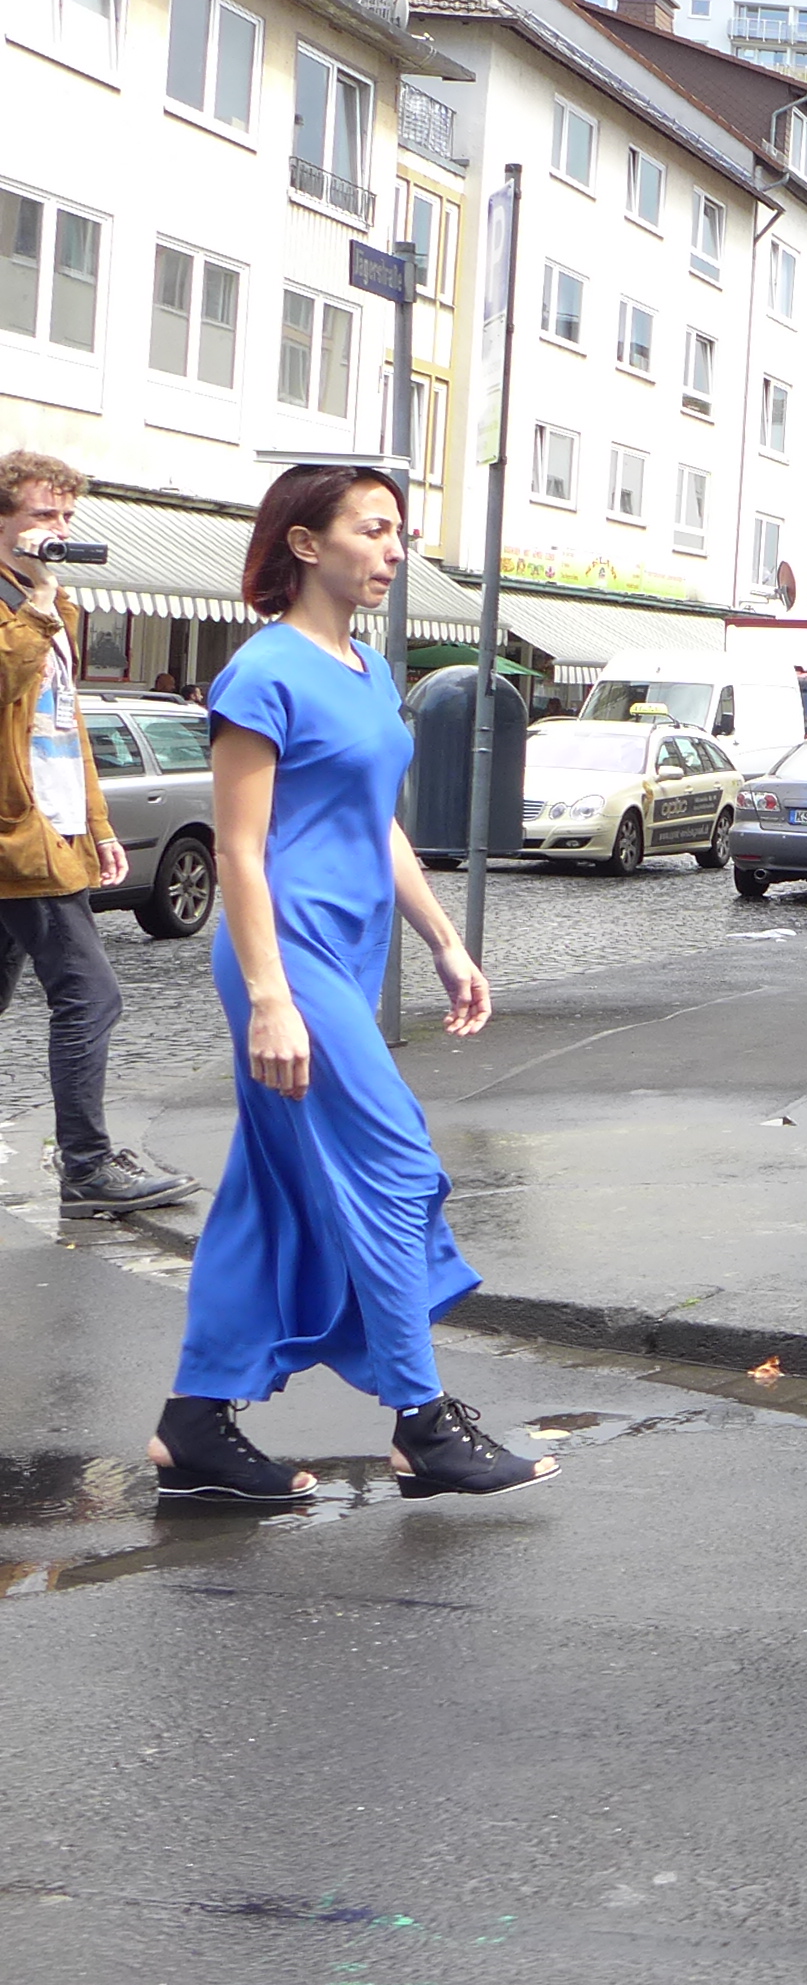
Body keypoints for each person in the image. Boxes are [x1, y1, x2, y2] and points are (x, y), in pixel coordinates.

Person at [145, 465, 548, 1507]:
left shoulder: (369, 670)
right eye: (372, 530)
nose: (393, 551)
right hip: (285, 957)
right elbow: (238, 854)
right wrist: (271, 999)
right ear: (305, 544)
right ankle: (423, 1422)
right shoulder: (262, 673)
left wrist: (445, 942)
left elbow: (378, 825)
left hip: (347, 952)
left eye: (398, 532)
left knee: (265, 1191)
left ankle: (193, 1425)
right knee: (396, 1170)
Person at [0, 452, 191, 1220]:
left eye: (67, 516)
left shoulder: (47, 606)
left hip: (53, 830)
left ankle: (85, 1164)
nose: (59, 529)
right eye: (43, 515)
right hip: (18, 839)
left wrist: (98, 825)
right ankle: (85, 1167)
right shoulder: (30, 609)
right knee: (91, 996)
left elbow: (66, 725)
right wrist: (42, 604)